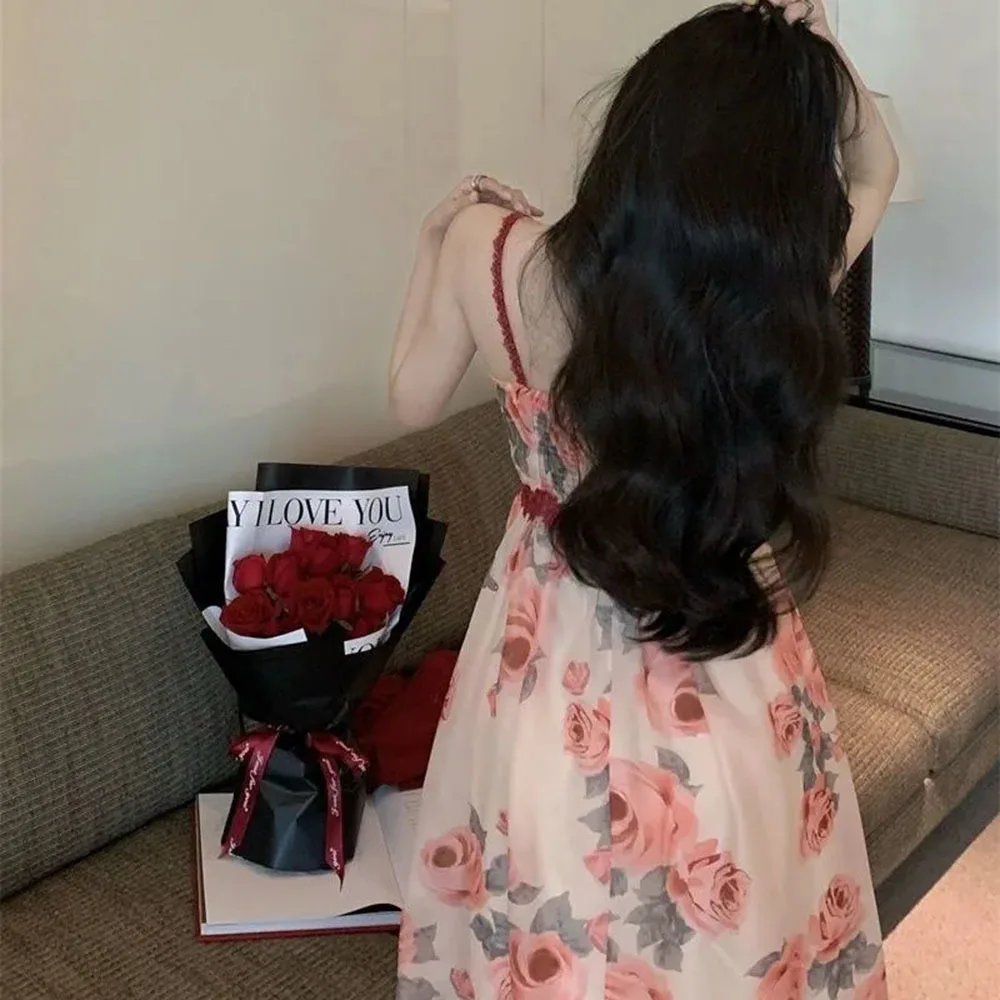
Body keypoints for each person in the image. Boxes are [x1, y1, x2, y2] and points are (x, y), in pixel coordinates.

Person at [389, 1, 898, 997]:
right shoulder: (771, 293)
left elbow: (409, 398)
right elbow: (875, 168)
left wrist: (430, 239)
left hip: (546, 652)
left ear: (637, 122)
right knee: (736, 911)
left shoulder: (490, 252)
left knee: (539, 893)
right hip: (725, 633)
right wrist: (819, 45)